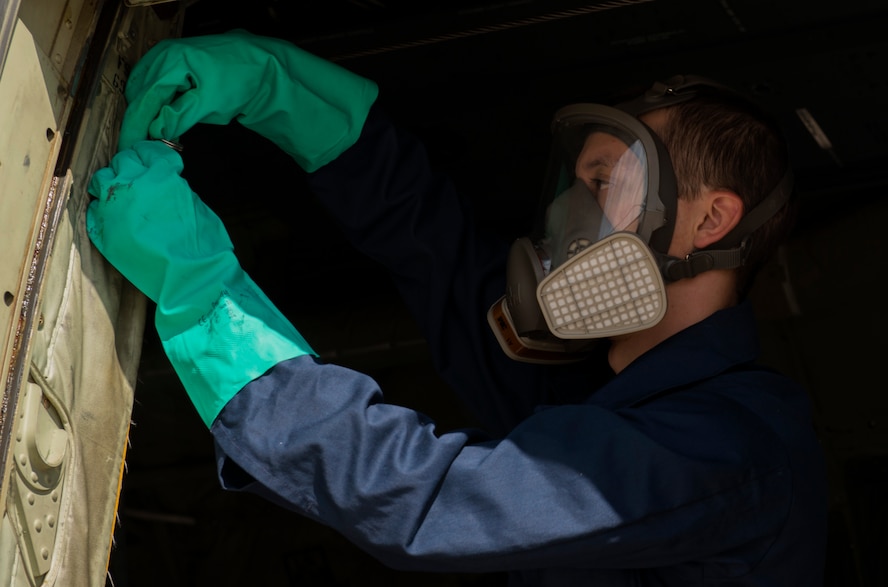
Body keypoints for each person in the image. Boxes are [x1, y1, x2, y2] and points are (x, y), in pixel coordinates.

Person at [86, 30, 828, 586]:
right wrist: (274, 89)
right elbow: (436, 254)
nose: (574, 212)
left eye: (607, 180)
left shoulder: (730, 449)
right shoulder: (603, 395)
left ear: (710, 221)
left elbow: (427, 495)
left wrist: (202, 291)